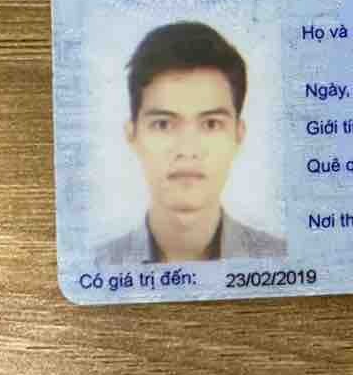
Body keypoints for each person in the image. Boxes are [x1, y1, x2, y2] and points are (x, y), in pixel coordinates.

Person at [95, 21, 286, 264]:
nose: (187, 150)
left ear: (239, 135)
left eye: (211, 124)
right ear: (132, 135)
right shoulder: (95, 266)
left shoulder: (282, 261)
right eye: (163, 124)